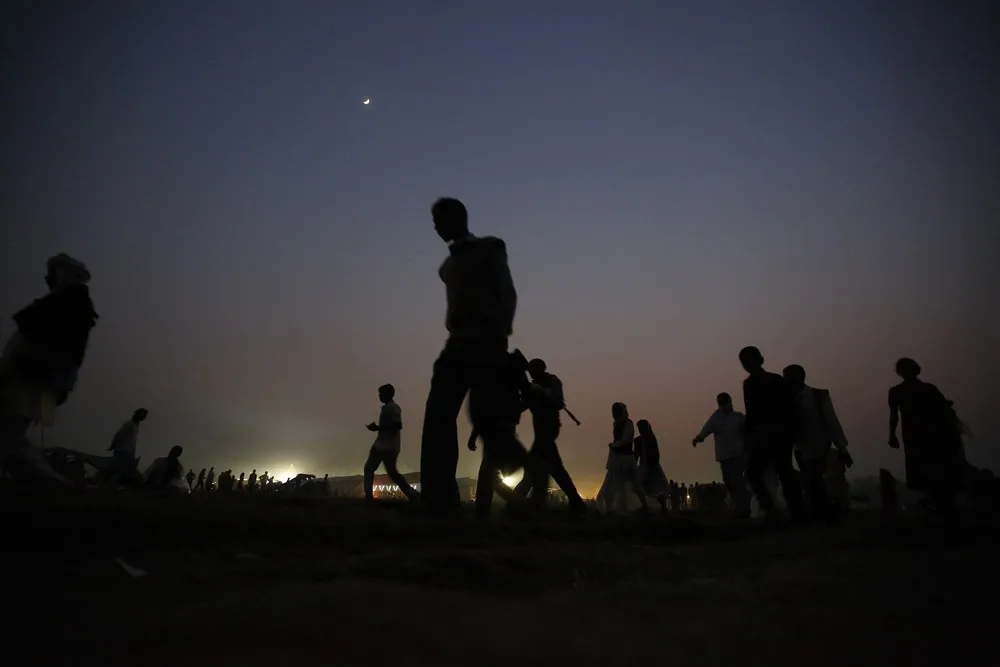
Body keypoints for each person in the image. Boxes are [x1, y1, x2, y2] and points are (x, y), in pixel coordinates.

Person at [419, 197, 533, 513]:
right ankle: (437, 500)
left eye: (439, 220)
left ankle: (515, 458)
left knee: (482, 415)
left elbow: (507, 291)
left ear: (456, 218)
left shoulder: (490, 248)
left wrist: (500, 333)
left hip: (486, 339)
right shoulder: (448, 265)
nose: (436, 227)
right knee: (439, 416)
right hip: (456, 343)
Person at [0, 253, 98, 482]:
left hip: (31, 377)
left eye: (54, 272)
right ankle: (52, 480)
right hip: (23, 374)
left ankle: (52, 481)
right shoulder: (63, 303)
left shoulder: (71, 306)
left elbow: (65, 350)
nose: (49, 278)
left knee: (10, 432)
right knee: (11, 433)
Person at [888, 358, 967, 515]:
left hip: (932, 437)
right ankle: (941, 507)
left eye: (907, 368)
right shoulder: (897, 392)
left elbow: (944, 410)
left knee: (935, 472)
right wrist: (892, 435)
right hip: (914, 437)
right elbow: (893, 415)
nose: (905, 372)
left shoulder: (928, 389)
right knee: (926, 473)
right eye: (902, 369)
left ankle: (943, 508)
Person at [738, 346, 805, 524]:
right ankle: (773, 511)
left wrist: (792, 431)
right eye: (744, 362)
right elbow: (751, 412)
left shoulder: (775, 381)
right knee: (756, 473)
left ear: (760, 360)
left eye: (750, 361)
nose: (747, 365)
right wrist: (749, 435)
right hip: (763, 435)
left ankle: (795, 513)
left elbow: (790, 408)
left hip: (778, 434)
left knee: (784, 474)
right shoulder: (749, 384)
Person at [512, 358, 586, 513]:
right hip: (543, 433)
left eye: (533, 369)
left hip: (548, 430)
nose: (531, 373)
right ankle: (577, 503)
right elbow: (520, 406)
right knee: (556, 469)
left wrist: (540, 391)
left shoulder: (552, 382)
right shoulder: (533, 388)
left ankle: (515, 505)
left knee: (534, 468)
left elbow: (557, 401)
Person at [782, 365, 852, 521]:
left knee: (815, 480)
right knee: (810, 481)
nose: (786, 381)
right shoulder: (785, 399)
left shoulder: (819, 396)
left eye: (789, 377)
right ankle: (821, 512)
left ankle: (822, 513)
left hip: (820, 445)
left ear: (800, 377)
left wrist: (841, 446)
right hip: (800, 447)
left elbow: (832, 421)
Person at [692, 392, 751, 518]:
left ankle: (742, 507)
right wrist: (698, 438)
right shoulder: (716, 418)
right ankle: (737, 503)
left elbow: (748, 432)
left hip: (738, 454)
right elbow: (706, 429)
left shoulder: (738, 417)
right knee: (728, 481)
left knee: (738, 480)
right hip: (724, 456)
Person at [363, 383, 418, 503]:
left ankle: (368, 496)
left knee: (369, 468)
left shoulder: (392, 408)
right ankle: (412, 494)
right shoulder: (390, 408)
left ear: (387, 394)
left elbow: (398, 425)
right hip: (390, 446)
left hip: (384, 445)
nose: (379, 396)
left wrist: (378, 428)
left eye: (381, 393)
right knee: (392, 473)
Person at [597, 402, 648, 514]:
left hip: (625, 458)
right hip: (618, 457)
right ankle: (610, 507)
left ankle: (644, 505)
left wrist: (615, 445)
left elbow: (626, 439)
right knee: (612, 483)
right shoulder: (616, 423)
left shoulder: (628, 423)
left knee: (632, 483)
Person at [635, 419, 669, 515]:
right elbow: (636, 454)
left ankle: (663, 507)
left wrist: (652, 466)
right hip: (643, 466)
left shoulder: (651, 438)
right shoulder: (638, 440)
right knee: (639, 486)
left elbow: (656, 454)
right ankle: (645, 506)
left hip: (652, 466)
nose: (640, 430)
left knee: (656, 489)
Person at [106, 408, 148, 484]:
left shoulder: (135, 425)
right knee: (121, 470)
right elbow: (119, 434)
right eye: (142, 415)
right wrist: (113, 446)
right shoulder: (130, 424)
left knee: (125, 471)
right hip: (123, 451)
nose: (143, 417)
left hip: (128, 452)